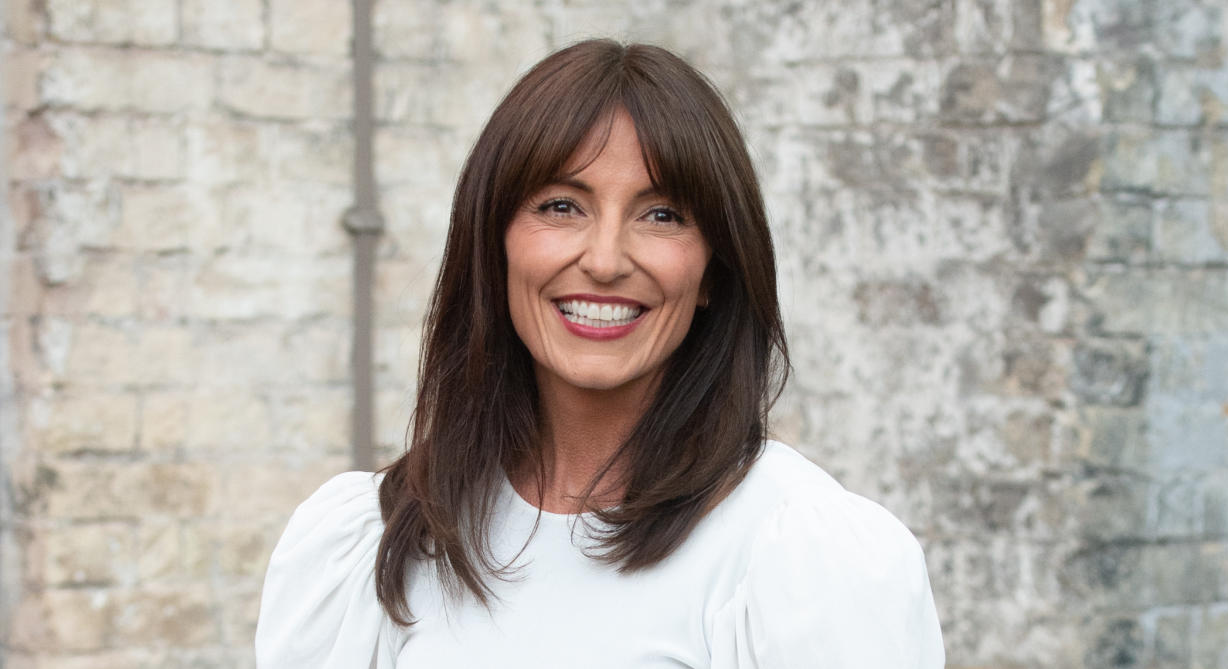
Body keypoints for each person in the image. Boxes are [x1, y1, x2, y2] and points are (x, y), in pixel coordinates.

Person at [256, 39, 944, 668]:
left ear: (713, 271)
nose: (607, 259)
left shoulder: (802, 560)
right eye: (561, 206)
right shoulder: (376, 539)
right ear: (494, 242)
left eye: (662, 214)